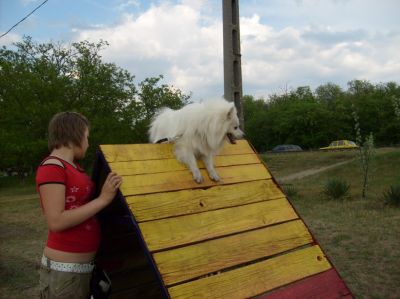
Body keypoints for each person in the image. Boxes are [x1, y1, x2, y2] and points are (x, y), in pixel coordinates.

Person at [36, 111, 122, 298]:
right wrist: (103, 199)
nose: (88, 143)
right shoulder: (52, 167)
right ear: (76, 134)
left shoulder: (74, 167)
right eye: (87, 137)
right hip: (65, 273)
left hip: (83, 270)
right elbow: (56, 221)